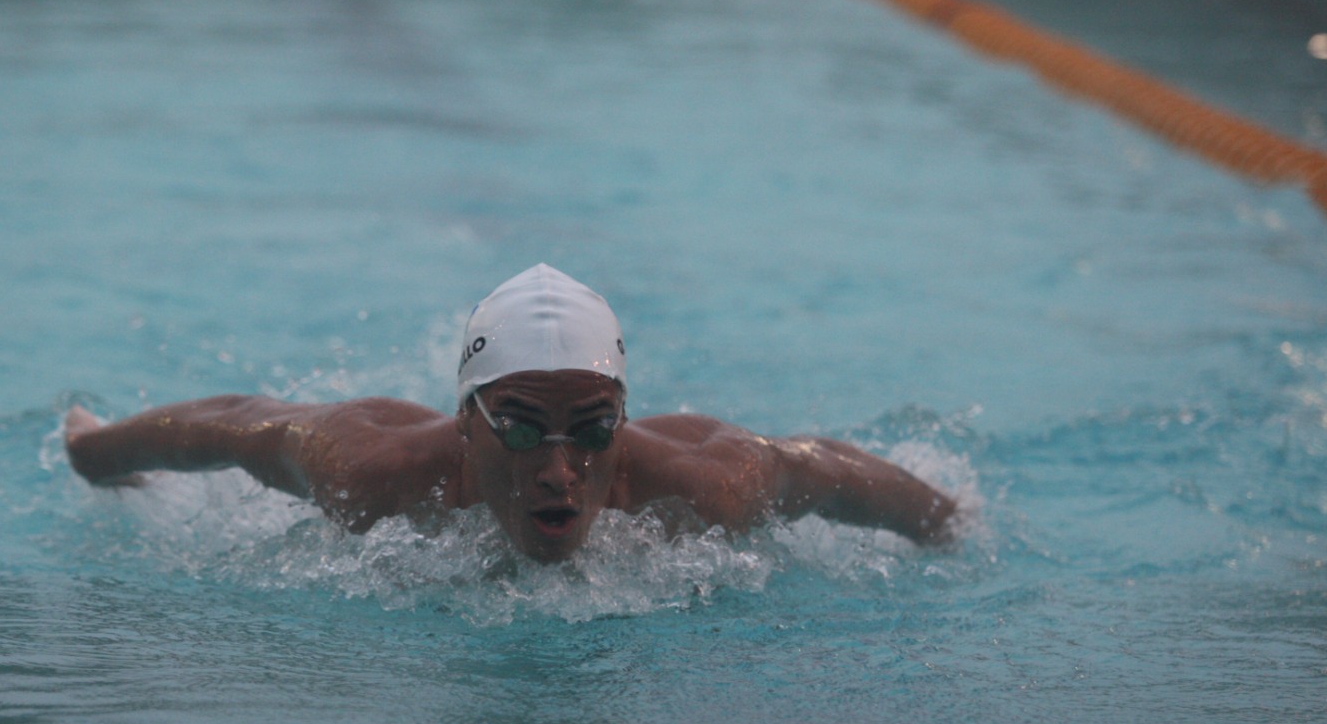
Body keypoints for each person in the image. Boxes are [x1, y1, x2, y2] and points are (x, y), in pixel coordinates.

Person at [66, 264, 957, 563]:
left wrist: (950, 526)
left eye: (594, 431)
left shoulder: (701, 490)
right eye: (523, 428)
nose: (560, 472)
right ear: (466, 424)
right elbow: (237, 422)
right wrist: (99, 453)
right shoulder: (372, 478)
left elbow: (824, 468)